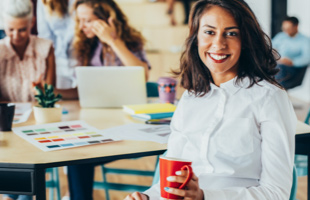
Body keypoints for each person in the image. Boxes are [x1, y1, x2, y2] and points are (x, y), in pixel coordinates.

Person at [125, 0, 296, 200]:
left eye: (231, 33)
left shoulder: (270, 98)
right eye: (209, 32)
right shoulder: (190, 98)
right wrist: (146, 197)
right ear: (196, 38)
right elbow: (171, 181)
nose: (219, 44)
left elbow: (277, 193)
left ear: (246, 40)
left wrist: (205, 196)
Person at [67, 0, 150, 199]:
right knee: (76, 156)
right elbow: (83, 89)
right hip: (99, 127)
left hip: (130, 130)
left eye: (87, 20)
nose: (81, 26)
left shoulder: (130, 43)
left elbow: (142, 74)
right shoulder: (86, 46)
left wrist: (113, 41)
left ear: (105, 20)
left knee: (78, 159)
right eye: (79, 20)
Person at [0, 0, 55, 103]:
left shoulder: (46, 48)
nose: (16, 36)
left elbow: (50, 97)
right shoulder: (1, 51)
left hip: (39, 113)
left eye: (22, 30)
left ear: (32, 22)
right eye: (11, 29)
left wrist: (43, 92)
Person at [37, 0, 76, 89]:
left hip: (83, 59)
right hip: (59, 61)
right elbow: (45, 37)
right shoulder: (43, 2)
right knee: (62, 98)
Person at [272, 16, 310, 90]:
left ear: (296, 26)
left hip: (292, 69)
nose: (286, 31)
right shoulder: (280, 36)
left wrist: (292, 62)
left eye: (288, 29)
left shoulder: (305, 40)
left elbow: (307, 57)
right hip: (277, 64)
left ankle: (277, 91)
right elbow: (271, 48)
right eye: (284, 29)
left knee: (279, 69)